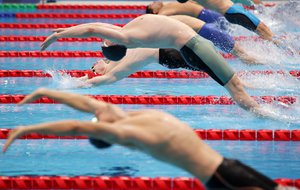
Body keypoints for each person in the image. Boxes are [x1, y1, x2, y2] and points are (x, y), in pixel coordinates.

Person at [2, 88, 282, 190]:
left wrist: (45, 91)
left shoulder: (124, 117)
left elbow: (86, 104)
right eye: (99, 123)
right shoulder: (127, 133)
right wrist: (26, 130)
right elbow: (78, 126)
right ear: (105, 132)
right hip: (221, 178)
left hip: (228, 166)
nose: (101, 111)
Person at [40, 14, 268, 116]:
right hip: (192, 49)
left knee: (234, 83)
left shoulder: (124, 34)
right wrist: (74, 84)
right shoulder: (126, 44)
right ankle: (267, 114)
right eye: (94, 66)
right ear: (113, 45)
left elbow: (94, 26)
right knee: (236, 88)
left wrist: (61, 33)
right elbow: (101, 77)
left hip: (189, 49)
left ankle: (262, 104)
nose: (93, 65)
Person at [146, 1, 274, 41]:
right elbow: (159, 22)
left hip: (212, 14)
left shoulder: (169, 5)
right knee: (267, 35)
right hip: (209, 17)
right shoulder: (162, 13)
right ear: (154, 11)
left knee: (236, 31)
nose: (153, 2)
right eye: (151, 5)